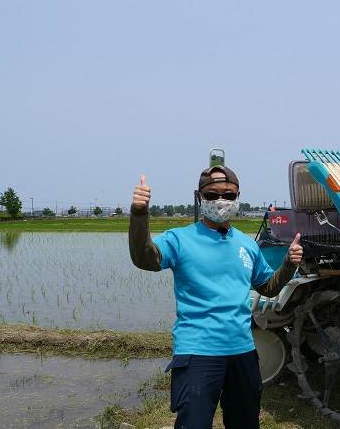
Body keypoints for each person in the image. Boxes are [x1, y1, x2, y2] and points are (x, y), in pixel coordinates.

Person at [129, 165, 303, 429]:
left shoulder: (247, 244)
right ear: (200, 197)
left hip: (242, 351)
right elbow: (145, 258)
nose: (220, 201)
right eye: (211, 195)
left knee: (245, 422)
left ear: (238, 197)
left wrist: (289, 264)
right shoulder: (179, 239)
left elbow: (268, 287)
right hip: (197, 352)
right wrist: (139, 214)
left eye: (228, 195)